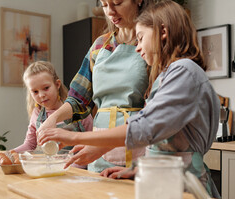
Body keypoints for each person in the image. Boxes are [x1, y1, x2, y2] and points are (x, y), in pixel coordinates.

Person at [37, 0, 221, 198]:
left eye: (141, 39)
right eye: (105, 5)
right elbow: (161, 141)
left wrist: (74, 137)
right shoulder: (167, 74)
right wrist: (138, 170)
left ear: (163, 32)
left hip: (182, 186)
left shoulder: (182, 71)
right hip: (161, 179)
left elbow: (148, 128)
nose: (137, 48)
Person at [37, 0, 153, 172]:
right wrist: (52, 119)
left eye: (117, 3)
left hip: (138, 143)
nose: (110, 12)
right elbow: (78, 98)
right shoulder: (100, 45)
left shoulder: (149, 44)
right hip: (97, 149)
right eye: (105, 5)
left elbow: (157, 107)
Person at [0, 61, 93, 163]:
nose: (41, 95)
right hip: (52, 169)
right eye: (35, 91)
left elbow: (94, 141)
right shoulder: (37, 114)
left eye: (46, 88)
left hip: (79, 167)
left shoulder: (78, 109)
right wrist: (7, 155)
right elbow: (30, 145)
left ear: (57, 84)